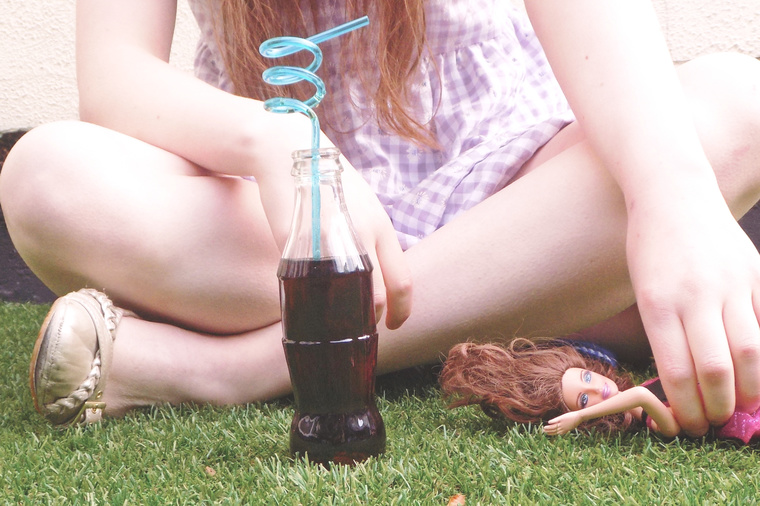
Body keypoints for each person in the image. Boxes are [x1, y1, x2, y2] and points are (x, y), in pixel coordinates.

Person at [1, 0, 759, 432]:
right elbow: (114, 75)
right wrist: (274, 139)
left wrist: (669, 195)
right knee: (48, 178)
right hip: (290, 215)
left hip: (521, 179)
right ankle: (522, 296)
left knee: (739, 104)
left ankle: (235, 370)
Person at [439, 339, 760, 443]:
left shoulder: (642, 386)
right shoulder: (655, 422)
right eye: (583, 398)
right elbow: (642, 398)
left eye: (587, 378)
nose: (597, 390)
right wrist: (579, 417)